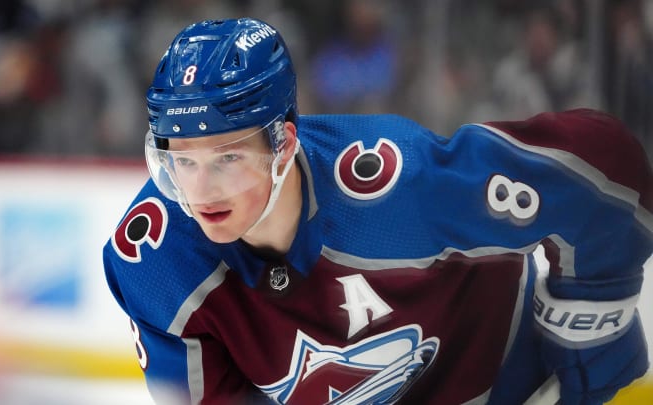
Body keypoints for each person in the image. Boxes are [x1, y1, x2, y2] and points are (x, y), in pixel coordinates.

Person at [102, 18, 652, 404]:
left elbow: (601, 165)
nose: (200, 192)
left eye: (227, 157)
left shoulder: (395, 187)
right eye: (180, 162)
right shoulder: (154, 264)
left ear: (285, 144)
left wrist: (590, 313)